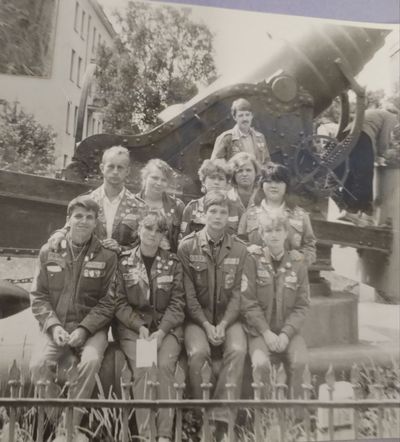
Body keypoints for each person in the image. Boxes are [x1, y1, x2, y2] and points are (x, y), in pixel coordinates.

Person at [30, 196, 118, 441]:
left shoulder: (107, 256)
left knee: (91, 361)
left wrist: (84, 329)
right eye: (78, 216)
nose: (83, 221)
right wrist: (53, 326)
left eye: (90, 217)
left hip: (92, 328)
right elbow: (38, 296)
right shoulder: (49, 251)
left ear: (96, 222)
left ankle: (68, 428)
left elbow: (108, 302)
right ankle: (61, 421)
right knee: (37, 365)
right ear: (68, 220)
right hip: (56, 325)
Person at [178, 190, 250, 441]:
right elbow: (188, 296)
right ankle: (201, 416)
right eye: (213, 211)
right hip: (197, 320)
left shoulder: (240, 250)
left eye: (223, 212)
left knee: (238, 350)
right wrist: (207, 325)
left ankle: (221, 418)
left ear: (229, 217)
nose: (218, 216)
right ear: (203, 214)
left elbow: (239, 295)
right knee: (198, 353)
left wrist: (225, 323)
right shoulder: (187, 247)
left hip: (230, 319)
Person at [114, 212, 185, 442]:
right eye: (148, 228)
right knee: (145, 366)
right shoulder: (124, 262)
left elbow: (177, 303)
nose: (152, 235)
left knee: (164, 366)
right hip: (135, 329)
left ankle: (164, 435)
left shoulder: (173, 263)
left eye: (158, 231)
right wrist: (139, 326)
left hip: (166, 328)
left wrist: (162, 332)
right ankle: (146, 435)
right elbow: (119, 303)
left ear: (164, 235)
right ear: (139, 230)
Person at [241, 213, 310, 399]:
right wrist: (266, 332)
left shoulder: (298, 263)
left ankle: (296, 413)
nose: (274, 235)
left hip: (288, 332)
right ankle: (265, 413)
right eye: (268, 231)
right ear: (262, 234)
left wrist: (286, 334)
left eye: (278, 230)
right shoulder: (252, 260)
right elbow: (248, 302)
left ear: (286, 233)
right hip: (259, 332)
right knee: (261, 364)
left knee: (301, 362)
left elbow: (302, 306)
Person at [48, 146, 145, 253]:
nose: (115, 171)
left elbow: (144, 245)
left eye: (120, 167)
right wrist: (60, 233)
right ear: (102, 168)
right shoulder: (86, 202)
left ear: (127, 171)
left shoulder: (139, 207)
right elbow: (69, 227)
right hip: (89, 261)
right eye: (111, 166)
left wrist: (121, 249)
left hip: (123, 263)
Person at [238, 162, 316, 266]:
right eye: (269, 181)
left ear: (286, 185)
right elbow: (239, 242)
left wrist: (302, 257)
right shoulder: (249, 214)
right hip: (257, 271)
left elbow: (310, 246)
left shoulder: (301, 216)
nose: (273, 186)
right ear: (262, 185)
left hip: (290, 272)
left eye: (279, 181)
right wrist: (248, 249)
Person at [334, 102, 399, 226]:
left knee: (352, 173)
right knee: (364, 174)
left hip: (347, 134)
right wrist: (385, 154)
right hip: (362, 135)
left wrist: (376, 155)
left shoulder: (374, 112)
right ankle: (354, 211)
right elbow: (383, 140)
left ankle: (347, 209)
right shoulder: (391, 117)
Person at [180, 158, 242, 237]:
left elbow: (240, 239)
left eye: (221, 179)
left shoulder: (235, 208)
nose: (216, 182)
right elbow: (183, 239)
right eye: (212, 178)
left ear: (227, 184)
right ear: (203, 181)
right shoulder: (192, 207)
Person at [135, 158, 184, 253]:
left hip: (167, 258)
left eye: (164, 180)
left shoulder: (177, 206)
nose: (159, 183)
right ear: (145, 177)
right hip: (136, 257)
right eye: (155, 178)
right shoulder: (132, 203)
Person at [211, 98, 270, 164]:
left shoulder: (260, 137)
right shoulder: (226, 138)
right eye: (241, 115)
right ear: (234, 117)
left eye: (247, 115)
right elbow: (214, 164)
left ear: (251, 116)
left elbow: (267, 163)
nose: (245, 119)